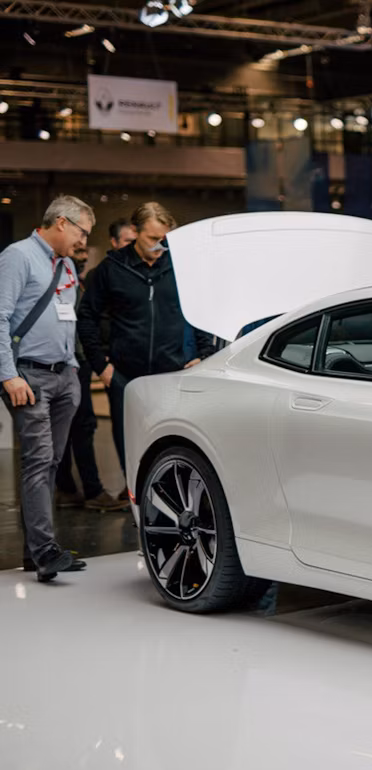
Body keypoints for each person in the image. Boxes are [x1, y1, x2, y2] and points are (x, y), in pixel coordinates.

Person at [78, 202, 216, 496]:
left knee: (174, 447)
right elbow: (87, 316)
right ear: (135, 231)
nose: (159, 246)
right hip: (125, 377)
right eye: (152, 239)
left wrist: (203, 356)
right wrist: (101, 365)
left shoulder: (180, 267)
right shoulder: (111, 270)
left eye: (164, 239)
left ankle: (172, 506)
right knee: (130, 448)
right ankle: (138, 509)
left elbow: (201, 311)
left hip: (172, 375)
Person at [0, 195, 96, 581]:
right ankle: (45, 551)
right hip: (29, 377)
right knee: (39, 461)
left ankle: (36, 553)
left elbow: (67, 320)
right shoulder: (18, 256)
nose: (84, 240)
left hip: (62, 377)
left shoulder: (67, 265)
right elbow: (0, 316)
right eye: (81, 231)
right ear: (60, 222)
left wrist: (72, 369)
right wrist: (9, 375)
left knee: (52, 462)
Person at [53, 245, 124, 511]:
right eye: (78, 250)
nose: (82, 256)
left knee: (77, 425)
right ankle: (88, 490)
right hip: (71, 360)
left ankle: (69, 489)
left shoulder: (79, 282)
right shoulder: (61, 279)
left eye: (84, 251)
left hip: (78, 359)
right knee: (80, 425)